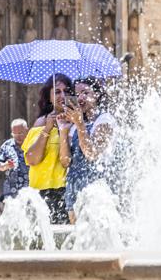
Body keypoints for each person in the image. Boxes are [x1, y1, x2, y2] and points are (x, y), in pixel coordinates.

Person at [62, 77, 116, 224]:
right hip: (73, 189)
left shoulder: (105, 120)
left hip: (96, 190)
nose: (80, 97)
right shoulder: (74, 125)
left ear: (96, 95)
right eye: (77, 93)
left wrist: (79, 124)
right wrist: (63, 130)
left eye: (85, 92)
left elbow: (92, 154)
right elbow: (65, 161)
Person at [23, 73, 73, 224]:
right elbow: (32, 159)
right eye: (57, 91)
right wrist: (47, 129)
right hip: (41, 191)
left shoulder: (76, 122)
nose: (62, 95)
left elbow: (67, 161)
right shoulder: (41, 122)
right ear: (49, 96)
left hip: (66, 190)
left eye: (67, 91)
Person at [0, 119, 29, 198]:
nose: (17, 136)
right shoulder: (7, 145)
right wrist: (5, 165)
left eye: (20, 133)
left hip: (30, 190)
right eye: (14, 134)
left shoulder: (33, 143)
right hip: (11, 191)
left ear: (27, 130)